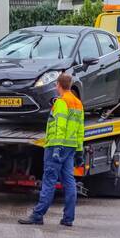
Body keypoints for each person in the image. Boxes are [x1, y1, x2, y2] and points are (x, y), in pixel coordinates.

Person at [19, 73, 84, 227]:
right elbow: (80, 129)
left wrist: (57, 147)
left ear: (58, 85)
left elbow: (60, 125)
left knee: (49, 180)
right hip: (70, 147)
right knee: (69, 181)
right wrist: (79, 150)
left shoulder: (62, 102)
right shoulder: (77, 103)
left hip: (57, 146)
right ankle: (68, 218)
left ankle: (38, 215)